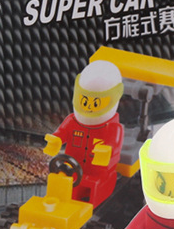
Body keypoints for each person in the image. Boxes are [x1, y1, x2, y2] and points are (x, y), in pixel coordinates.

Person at [44, 60, 124, 207]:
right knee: (58, 178)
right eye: (84, 101)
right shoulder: (72, 121)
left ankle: (88, 208)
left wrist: (106, 150)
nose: (89, 108)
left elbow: (113, 143)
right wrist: (55, 140)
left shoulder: (113, 128)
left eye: (96, 103)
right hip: (72, 168)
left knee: (91, 186)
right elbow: (61, 133)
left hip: (98, 173)